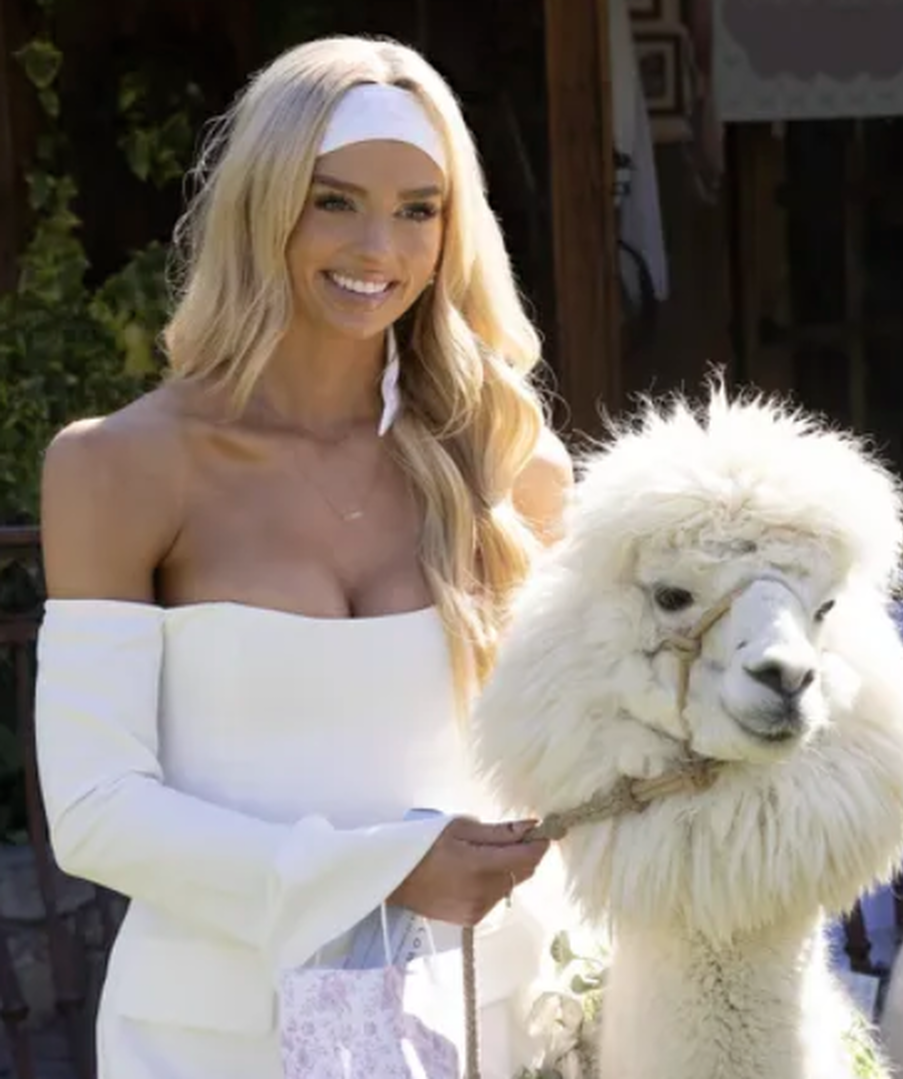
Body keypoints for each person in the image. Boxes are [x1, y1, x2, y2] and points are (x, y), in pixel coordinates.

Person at [33, 35, 576, 1077]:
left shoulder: (505, 461)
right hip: (210, 1036)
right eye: (335, 201)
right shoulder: (119, 466)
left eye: (420, 208)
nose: (381, 246)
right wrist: (384, 869)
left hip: (483, 1017)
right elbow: (94, 810)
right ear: (263, 203)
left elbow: (597, 736)